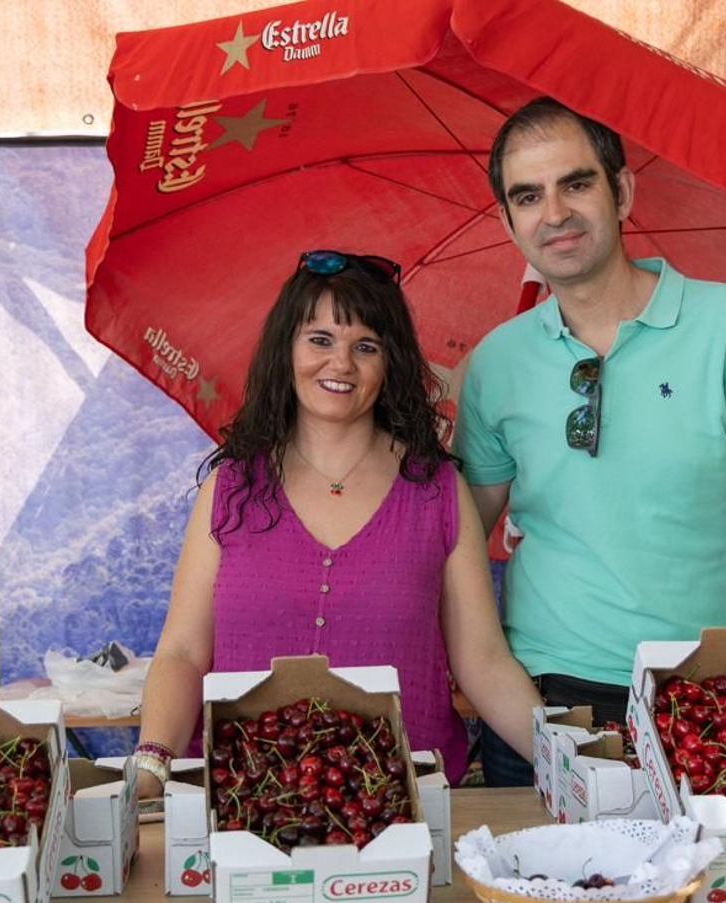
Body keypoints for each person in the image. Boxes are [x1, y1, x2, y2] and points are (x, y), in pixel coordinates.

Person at [455, 98, 726, 786]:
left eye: (576, 183)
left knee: (706, 894)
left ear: (622, 191)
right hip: (547, 703)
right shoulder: (496, 363)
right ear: (508, 221)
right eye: (527, 196)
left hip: (707, 694)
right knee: (544, 896)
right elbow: (463, 534)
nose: (553, 212)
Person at [131, 250, 542, 797]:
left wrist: (569, 762)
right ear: (287, 349)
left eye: (365, 346)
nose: (341, 363)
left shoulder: (437, 492)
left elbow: (484, 661)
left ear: (390, 363)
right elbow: (182, 651)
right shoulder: (230, 489)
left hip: (402, 804)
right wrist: (151, 767)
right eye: (320, 339)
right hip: (245, 804)